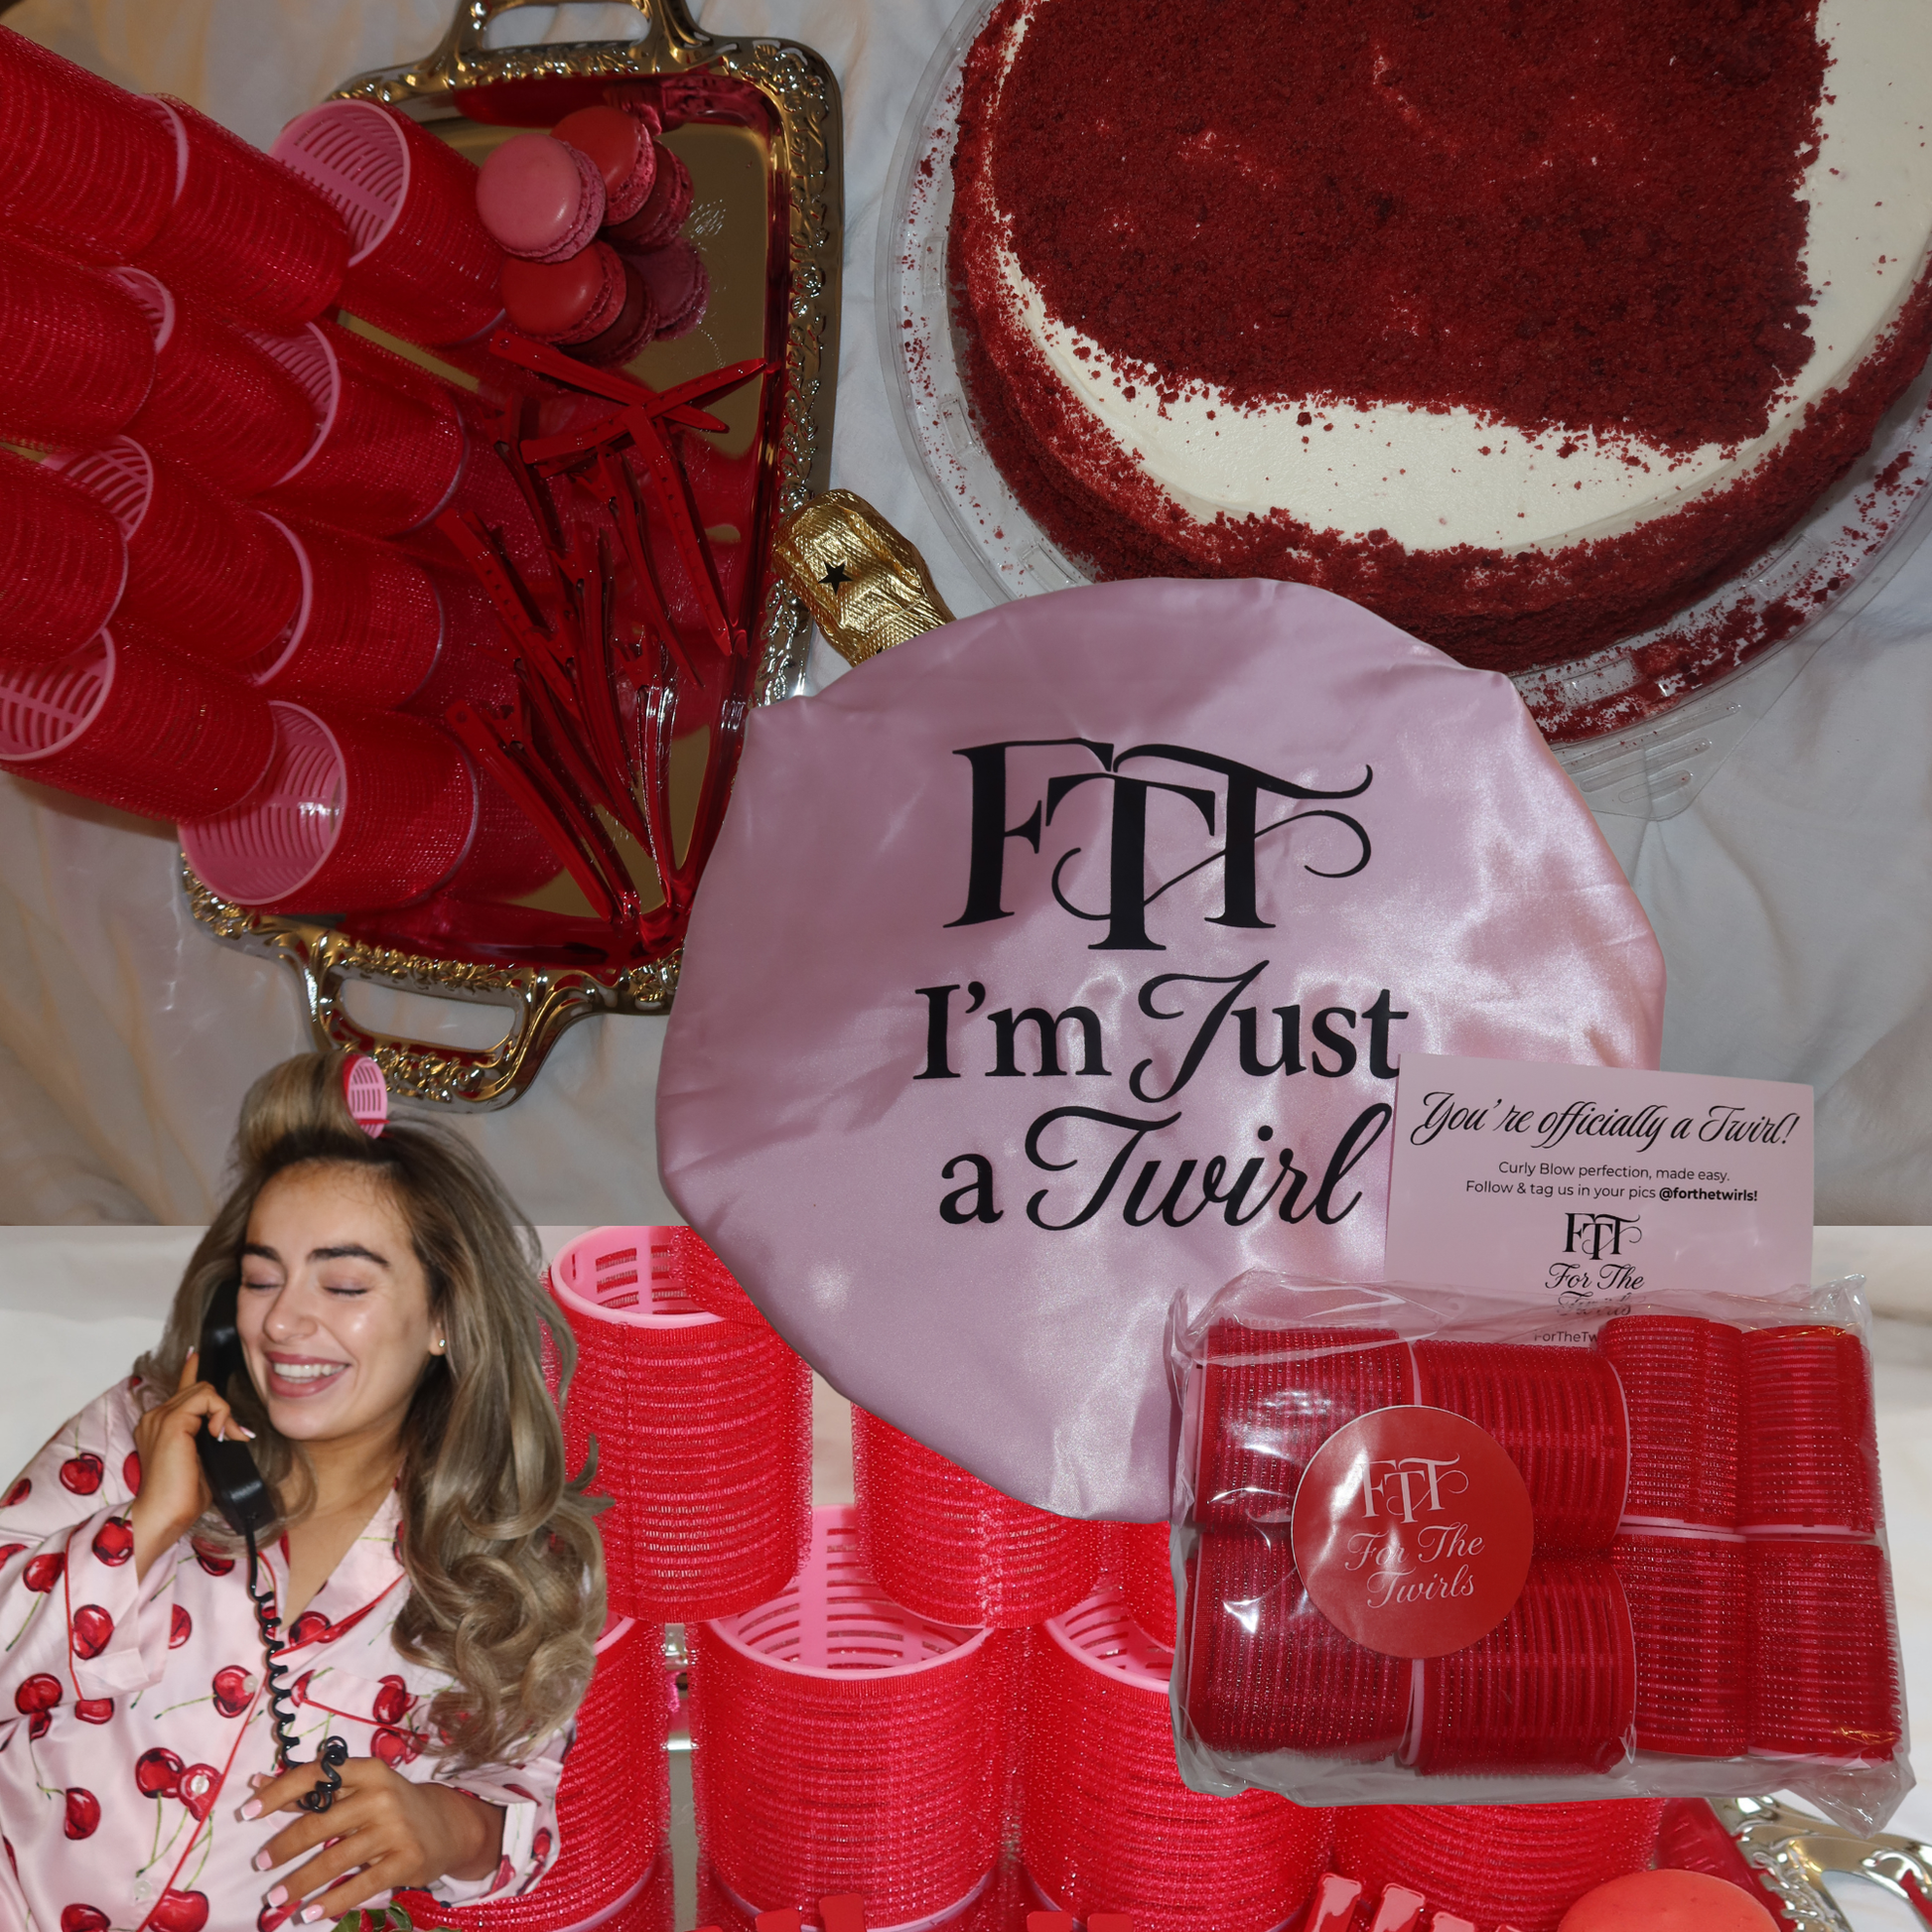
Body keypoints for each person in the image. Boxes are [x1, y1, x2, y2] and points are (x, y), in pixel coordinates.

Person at [0, 1054, 606, 1930]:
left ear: (445, 1317)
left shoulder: (512, 1558)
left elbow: (524, 1796)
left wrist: (453, 1828)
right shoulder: (135, 1431)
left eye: (344, 1284)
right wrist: (143, 1528)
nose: (282, 1321)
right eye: (260, 1279)